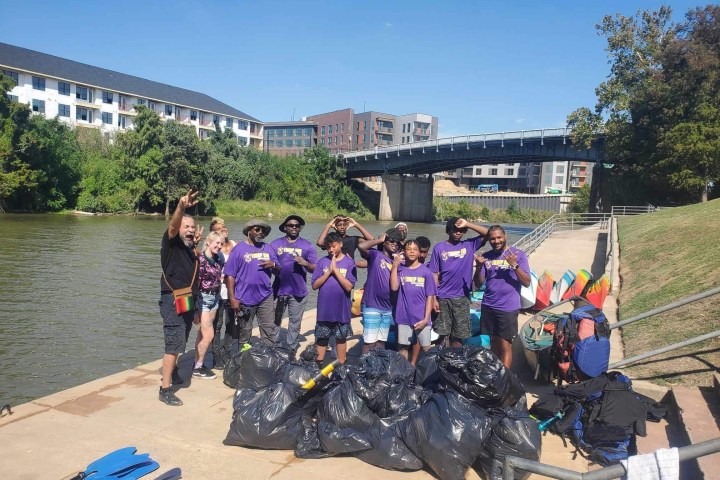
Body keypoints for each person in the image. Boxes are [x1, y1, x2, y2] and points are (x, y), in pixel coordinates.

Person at [159, 189, 199, 407]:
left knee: (181, 339)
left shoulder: (191, 249)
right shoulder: (171, 243)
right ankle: (165, 389)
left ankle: (173, 372)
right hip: (171, 300)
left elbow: (195, 278)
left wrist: (197, 307)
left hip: (187, 300)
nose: (190, 230)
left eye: (192, 227)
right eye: (187, 227)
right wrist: (181, 207)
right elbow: (173, 226)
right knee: (173, 344)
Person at [474, 225, 530, 368]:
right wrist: (479, 267)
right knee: (493, 343)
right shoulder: (486, 257)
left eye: (499, 237)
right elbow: (478, 284)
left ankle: (505, 381)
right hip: (488, 305)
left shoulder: (518, 255)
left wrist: (515, 265)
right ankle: (495, 374)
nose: (496, 241)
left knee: (505, 346)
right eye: (492, 239)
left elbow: (527, 282)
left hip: (508, 308)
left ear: (505, 237)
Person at [429, 217, 489, 347]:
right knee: (441, 333)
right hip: (442, 297)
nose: (457, 233)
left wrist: (467, 223)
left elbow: (488, 233)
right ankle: (440, 360)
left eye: (461, 230)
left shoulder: (469, 245)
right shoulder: (439, 248)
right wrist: (434, 298)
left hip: (462, 298)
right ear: (448, 230)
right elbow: (434, 273)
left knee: (459, 335)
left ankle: (456, 361)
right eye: (454, 229)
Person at [224, 220, 279, 345]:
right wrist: (232, 298)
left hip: (265, 296)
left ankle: (269, 358)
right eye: (257, 229)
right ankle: (243, 359)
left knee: (269, 330)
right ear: (249, 231)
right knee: (245, 331)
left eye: (263, 230)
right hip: (244, 297)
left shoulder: (269, 248)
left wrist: (274, 264)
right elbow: (230, 275)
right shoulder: (238, 249)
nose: (261, 232)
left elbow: (279, 271)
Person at [270, 215, 318, 351]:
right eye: (291, 225)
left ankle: (290, 350)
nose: (294, 228)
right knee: (275, 321)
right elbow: (269, 265)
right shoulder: (274, 244)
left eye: (297, 226)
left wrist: (305, 263)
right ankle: (274, 348)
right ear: (285, 228)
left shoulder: (307, 246)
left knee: (294, 323)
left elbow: (316, 268)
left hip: (298, 292)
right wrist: (275, 269)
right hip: (278, 291)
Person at [311, 232, 357, 364]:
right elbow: (314, 285)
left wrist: (336, 271)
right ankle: (319, 366)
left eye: (334, 246)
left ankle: (341, 365)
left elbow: (349, 287)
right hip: (324, 310)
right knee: (322, 338)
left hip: (341, 310)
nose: (331, 250)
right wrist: (328, 272)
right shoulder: (322, 262)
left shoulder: (349, 263)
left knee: (341, 338)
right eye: (328, 247)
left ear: (340, 244)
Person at [390, 239, 437, 365]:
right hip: (403, 316)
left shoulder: (426, 272)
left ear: (419, 252)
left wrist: (426, 319)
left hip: (421, 318)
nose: (411, 251)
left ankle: (431, 374)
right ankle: (404, 375)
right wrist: (395, 265)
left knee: (427, 348)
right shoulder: (400, 269)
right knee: (403, 347)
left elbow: (430, 297)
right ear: (403, 252)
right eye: (408, 249)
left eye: (415, 249)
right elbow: (394, 287)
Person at [357, 228, 403, 353]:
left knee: (381, 342)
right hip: (372, 305)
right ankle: (364, 368)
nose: (395, 244)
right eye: (391, 240)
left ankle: (376, 367)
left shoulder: (397, 262)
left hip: (388, 307)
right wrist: (379, 240)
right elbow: (361, 246)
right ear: (385, 242)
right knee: (369, 342)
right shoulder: (375, 255)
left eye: (397, 242)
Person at [192, 231, 225, 380]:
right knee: (209, 335)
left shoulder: (218, 258)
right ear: (208, 242)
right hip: (203, 298)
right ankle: (198, 368)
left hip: (215, 298)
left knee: (202, 334)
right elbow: (195, 283)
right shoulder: (201, 259)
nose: (219, 246)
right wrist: (194, 308)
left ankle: (197, 364)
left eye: (221, 243)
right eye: (216, 243)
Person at [207, 218, 237, 369]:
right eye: (218, 229)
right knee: (217, 324)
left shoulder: (236, 245)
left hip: (233, 292)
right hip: (217, 292)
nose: (223, 230)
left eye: (224, 227)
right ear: (213, 233)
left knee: (231, 323)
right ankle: (216, 354)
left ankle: (227, 351)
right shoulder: (213, 249)